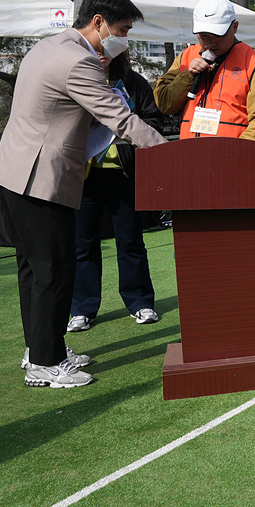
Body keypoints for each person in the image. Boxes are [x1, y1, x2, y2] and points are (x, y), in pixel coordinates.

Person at [0, 0, 167, 388]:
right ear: (99, 21)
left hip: (12, 173)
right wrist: (170, 154)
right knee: (54, 270)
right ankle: (45, 363)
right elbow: (120, 118)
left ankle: (40, 348)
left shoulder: (47, 47)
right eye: (122, 29)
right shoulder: (79, 61)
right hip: (39, 179)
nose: (124, 38)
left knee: (34, 270)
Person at [67, 46, 165, 333]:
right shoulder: (76, 78)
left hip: (124, 175)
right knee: (82, 244)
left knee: (131, 240)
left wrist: (121, 127)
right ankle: (82, 308)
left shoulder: (134, 82)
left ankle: (140, 302)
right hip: (83, 176)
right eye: (94, 49)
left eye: (107, 50)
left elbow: (154, 120)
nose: (101, 54)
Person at [153, 0, 255, 143]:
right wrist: (188, 76)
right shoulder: (185, 57)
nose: (210, 42)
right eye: (204, 35)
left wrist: (236, 154)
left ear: (235, 27)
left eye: (218, 35)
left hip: (231, 159)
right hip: (190, 155)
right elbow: (164, 104)